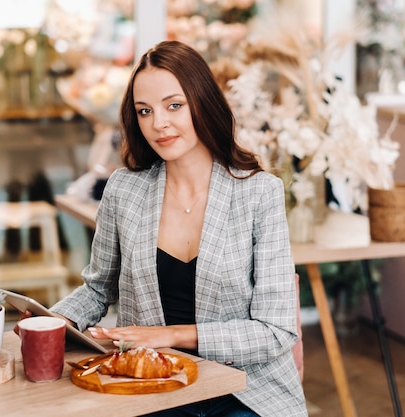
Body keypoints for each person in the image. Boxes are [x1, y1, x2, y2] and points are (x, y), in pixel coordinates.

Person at [49, 40, 307, 416]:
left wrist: (171, 335)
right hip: (153, 386)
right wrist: (55, 319)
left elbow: (276, 331)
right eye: (144, 111)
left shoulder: (259, 193)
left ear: (202, 102)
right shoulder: (124, 190)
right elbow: (98, 288)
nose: (159, 124)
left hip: (247, 391)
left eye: (174, 105)